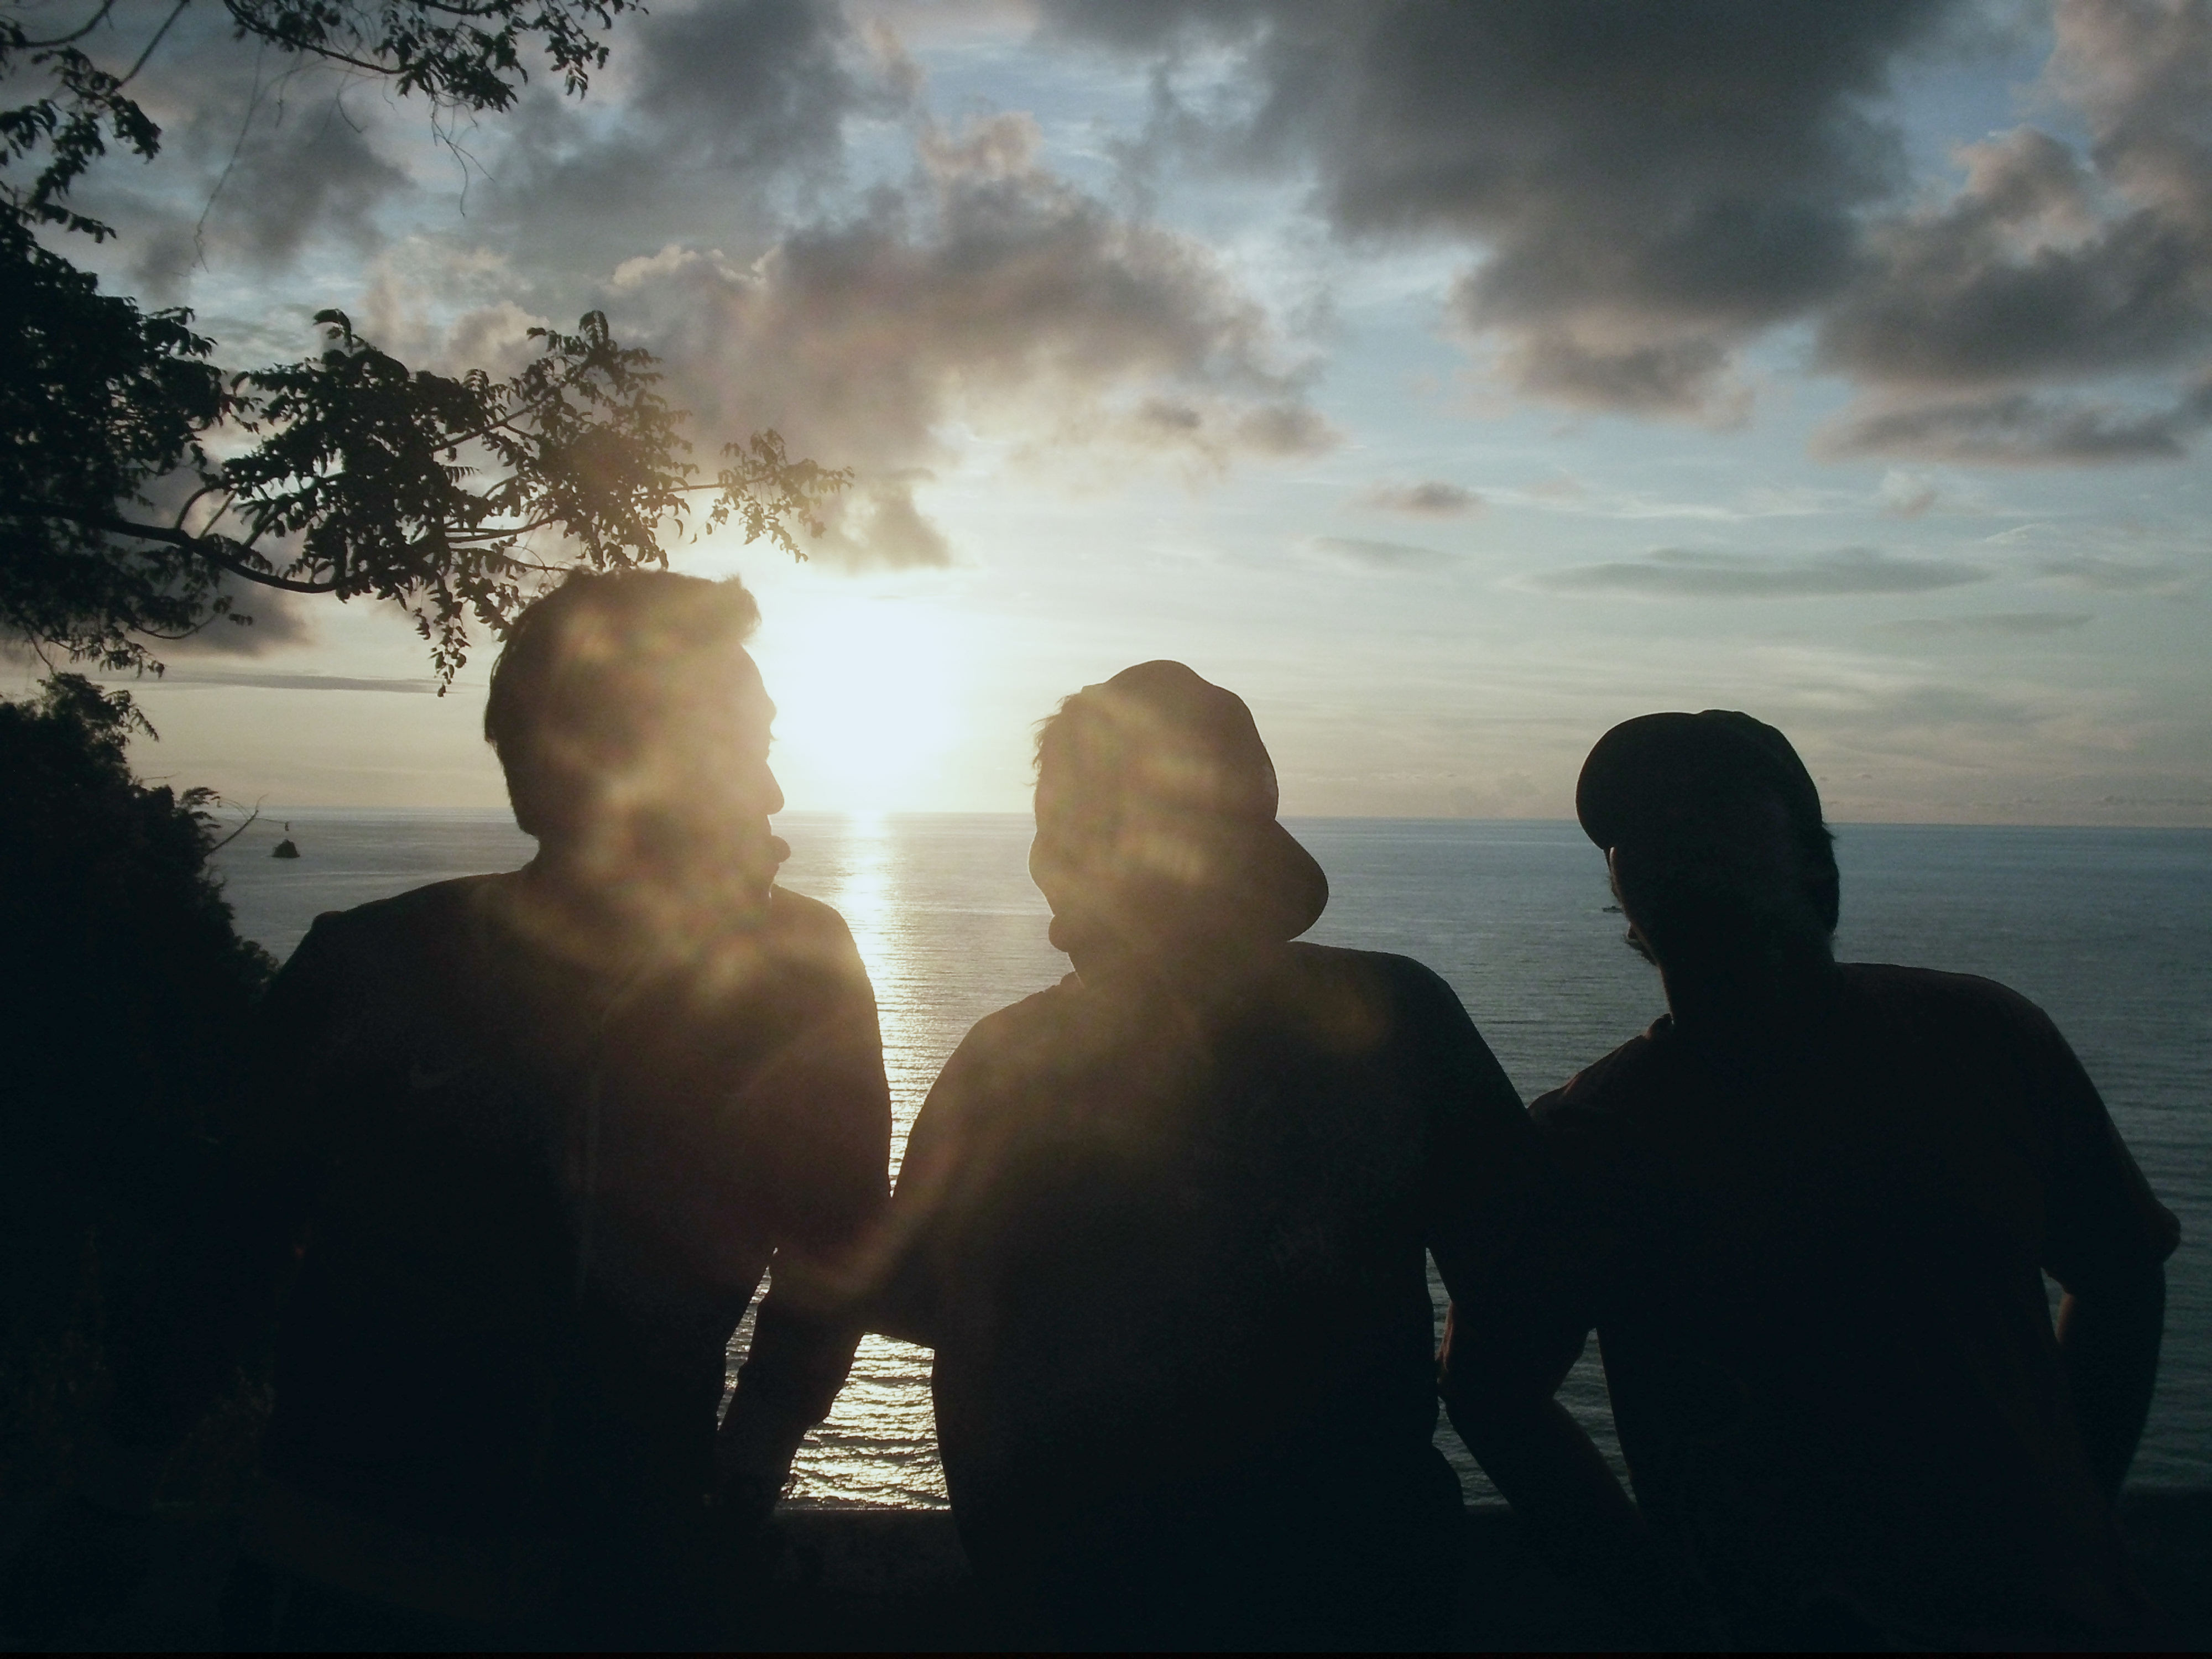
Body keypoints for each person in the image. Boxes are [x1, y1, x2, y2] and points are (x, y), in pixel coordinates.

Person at [43, 571, 891, 1648]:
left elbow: (840, 1231)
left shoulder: (798, 970)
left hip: (622, 1577)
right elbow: (230, 1247)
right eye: (742, 749)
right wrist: (122, 1480)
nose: (772, 795)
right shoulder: (373, 969)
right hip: (344, 1577)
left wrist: (750, 1456)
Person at [1444, 709, 2179, 1650]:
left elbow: (2121, 1273)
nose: (1675, 835)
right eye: (1640, 829)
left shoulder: (1986, 1039)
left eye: (1711, 806)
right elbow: (1489, 1391)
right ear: (1630, 907)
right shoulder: (1590, 1137)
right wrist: (1665, 1601)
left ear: (1816, 866)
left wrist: (2071, 1530)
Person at [877, 661, 1560, 1651]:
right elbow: (1521, 1280)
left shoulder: (1009, 1065)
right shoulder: (1398, 1017)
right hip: (1364, 1580)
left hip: (1097, 1588)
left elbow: (933, 1322)